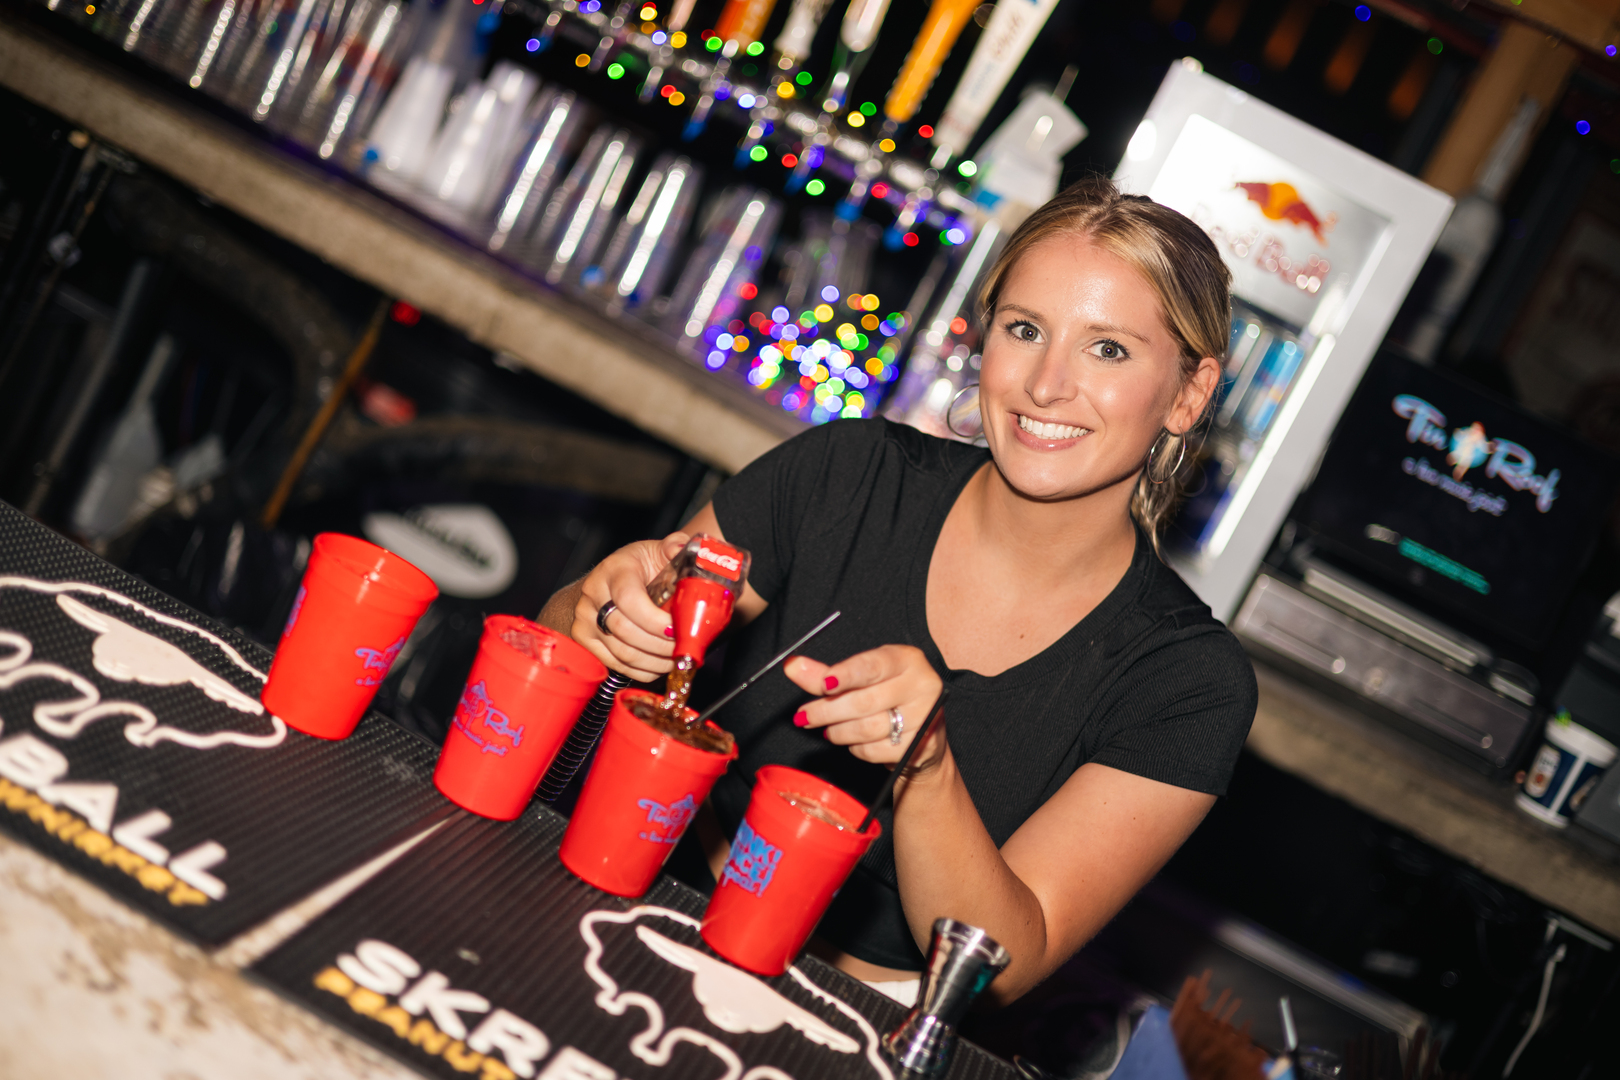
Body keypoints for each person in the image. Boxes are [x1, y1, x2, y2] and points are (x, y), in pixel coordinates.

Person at [539, 178, 1257, 1006]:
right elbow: (566, 646)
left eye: (1109, 350)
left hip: (871, 1025)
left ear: (1189, 393)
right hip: (658, 897)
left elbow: (1004, 966)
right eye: (1025, 330)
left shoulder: (1187, 684)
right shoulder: (846, 475)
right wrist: (603, 611)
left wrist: (929, 765)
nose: (1046, 384)